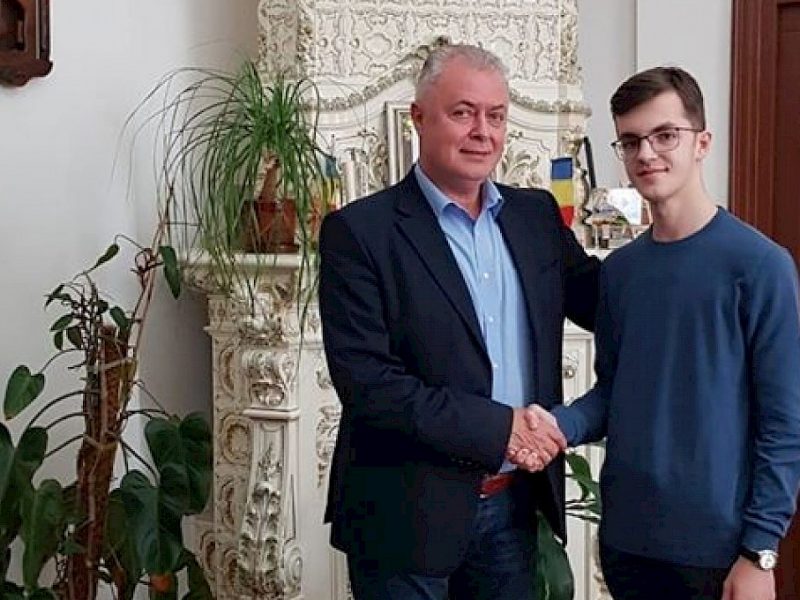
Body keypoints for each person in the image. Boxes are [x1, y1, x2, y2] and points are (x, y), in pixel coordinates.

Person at [318, 44, 600, 600]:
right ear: (418, 117)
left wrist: (684, 246)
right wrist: (500, 428)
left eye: (496, 115)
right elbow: (371, 386)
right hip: (403, 517)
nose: (482, 132)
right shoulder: (359, 232)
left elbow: (605, 304)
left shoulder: (536, 216)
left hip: (513, 507)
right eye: (463, 112)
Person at [536, 66, 800, 600]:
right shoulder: (619, 272)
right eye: (631, 141)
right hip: (628, 544)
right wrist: (555, 425)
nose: (647, 154)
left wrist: (760, 551)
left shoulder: (761, 266)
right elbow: (614, 393)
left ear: (702, 142)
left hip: (720, 552)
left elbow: (785, 423)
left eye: (665, 135)